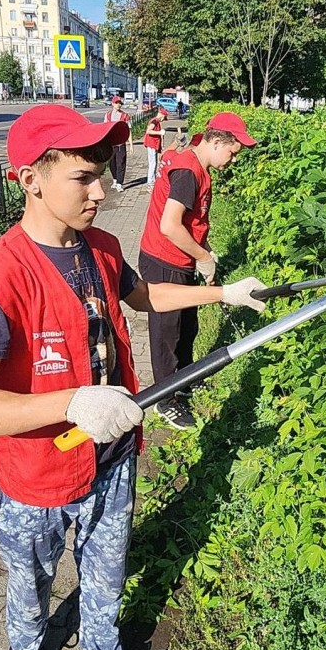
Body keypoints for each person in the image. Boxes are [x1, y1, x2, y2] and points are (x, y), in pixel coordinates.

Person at [0, 105, 267, 650]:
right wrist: (70, 403)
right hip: (37, 476)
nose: (104, 189)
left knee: (106, 576)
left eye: (104, 173)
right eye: (84, 177)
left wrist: (224, 291)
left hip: (113, 459)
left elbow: (144, 296)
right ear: (30, 179)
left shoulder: (102, 247)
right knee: (30, 582)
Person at [138, 111, 257, 429]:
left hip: (181, 260)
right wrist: (204, 256)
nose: (232, 160)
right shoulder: (189, 172)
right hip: (164, 262)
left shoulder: (195, 160)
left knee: (187, 327)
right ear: (218, 141)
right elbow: (169, 226)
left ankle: (185, 380)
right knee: (167, 334)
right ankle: (165, 400)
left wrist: (201, 255)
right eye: (233, 152)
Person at [103, 95, 133, 192]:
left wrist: (131, 144)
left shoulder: (125, 116)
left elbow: (128, 130)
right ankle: (115, 179)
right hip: (110, 143)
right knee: (112, 163)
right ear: (112, 104)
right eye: (117, 103)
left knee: (121, 163)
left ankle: (120, 183)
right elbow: (104, 129)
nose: (119, 105)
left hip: (121, 143)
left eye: (120, 103)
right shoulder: (108, 115)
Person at [143, 107, 167, 189]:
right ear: (162, 115)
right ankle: (150, 184)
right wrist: (159, 132)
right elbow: (148, 131)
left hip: (154, 145)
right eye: (164, 118)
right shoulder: (154, 121)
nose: (164, 120)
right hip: (151, 144)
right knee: (152, 164)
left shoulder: (157, 122)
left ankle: (152, 181)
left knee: (154, 163)